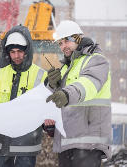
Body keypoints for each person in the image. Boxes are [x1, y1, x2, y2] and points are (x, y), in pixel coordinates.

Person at [45, 20, 112, 167]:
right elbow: (53, 100)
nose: (63, 47)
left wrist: (66, 95)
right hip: (67, 142)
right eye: (60, 43)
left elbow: (88, 84)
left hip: (89, 142)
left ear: (77, 38)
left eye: (66, 41)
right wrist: (50, 85)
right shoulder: (65, 68)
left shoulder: (97, 60)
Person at [0, 25, 48, 167]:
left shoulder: (41, 75)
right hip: (2, 138)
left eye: (20, 51)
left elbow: (44, 104)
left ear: (27, 50)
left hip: (26, 142)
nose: (16, 56)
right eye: (12, 52)